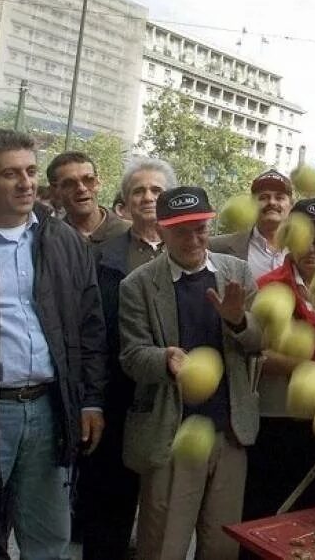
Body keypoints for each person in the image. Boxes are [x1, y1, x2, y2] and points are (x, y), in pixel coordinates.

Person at [0, 129, 107, 557]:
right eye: (10, 173)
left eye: (31, 171)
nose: (25, 183)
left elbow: (90, 328)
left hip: (48, 410)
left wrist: (89, 401)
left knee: (49, 539)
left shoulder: (64, 240)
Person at [119, 186, 262, 560]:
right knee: (163, 545)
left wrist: (238, 322)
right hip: (171, 435)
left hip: (230, 432)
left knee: (221, 546)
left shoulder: (237, 273)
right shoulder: (138, 286)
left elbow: (261, 342)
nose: (193, 238)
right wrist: (164, 360)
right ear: (162, 231)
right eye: (181, 230)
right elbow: (132, 356)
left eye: (200, 228)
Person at [76, 157, 176, 560]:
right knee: (107, 511)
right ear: (126, 201)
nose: (148, 197)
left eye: (156, 190)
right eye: (138, 190)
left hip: (172, 400)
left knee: (162, 516)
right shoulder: (99, 256)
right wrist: (92, 399)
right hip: (116, 397)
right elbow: (89, 333)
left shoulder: (196, 248)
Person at [241, 197, 315, 534]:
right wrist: (307, 369)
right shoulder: (267, 287)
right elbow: (254, 354)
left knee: (309, 517)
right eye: (303, 240)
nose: (311, 250)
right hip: (278, 420)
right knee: (265, 510)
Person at [210, 168, 293, 279]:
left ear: (291, 206)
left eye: (279, 198)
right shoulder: (217, 247)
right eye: (264, 197)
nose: (272, 202)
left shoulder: (305, 251)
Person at [47, 150, 130, 243]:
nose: (82, 189)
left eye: (89, 180)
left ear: (98, 183)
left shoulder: (130, 235)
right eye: (70, 184)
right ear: (54, 191)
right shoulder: (51, 240)